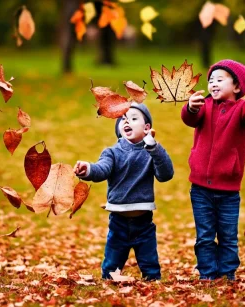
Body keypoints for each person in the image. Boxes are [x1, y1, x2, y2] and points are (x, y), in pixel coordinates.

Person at [73, 102, 174, 280]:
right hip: (118, 220)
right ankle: (108, 281)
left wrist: (154, 147)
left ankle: (153, 282)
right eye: (123, 119)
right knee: (112, 261)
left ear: (147, 127)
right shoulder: (112, 152)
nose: (127, 122)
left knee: (149, 261)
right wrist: (88, 169)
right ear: (119, 128)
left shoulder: (151, 151)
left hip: (144, 221)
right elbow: (102, 170)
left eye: (134, 119)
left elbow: (165, 174)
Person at [181, 59, 245, 281]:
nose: (213, 84)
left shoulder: (241, 110)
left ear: (237, 87)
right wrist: (190, 107)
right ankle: (207, 274)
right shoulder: (204, 106)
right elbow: (190, 118)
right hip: (200, 188)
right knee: (205, 236)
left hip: (228, 190)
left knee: (228, 236)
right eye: (211, 80)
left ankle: (227, 273)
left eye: (220, 80)